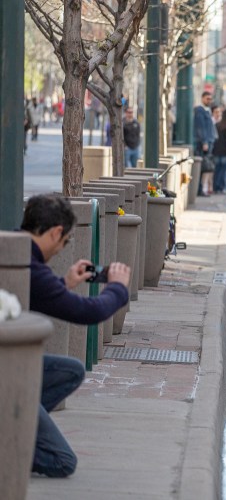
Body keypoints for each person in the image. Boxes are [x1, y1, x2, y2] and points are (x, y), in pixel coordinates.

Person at [21, 194, 131, 478]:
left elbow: (38, 292)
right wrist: (118, 288)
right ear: (56, 232)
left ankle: (15, 425)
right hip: (7, 371)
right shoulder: (30, 267)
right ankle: (11, 444)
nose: (61, 249)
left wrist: (65, 283)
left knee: (70, 370)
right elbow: (88, 312)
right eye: (66, 241)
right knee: (62, 462)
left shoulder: (15, 250)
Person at [193, 92, 216, 196]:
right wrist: (205, 142)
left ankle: (202, 188)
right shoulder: (200, 111)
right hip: (203, 144)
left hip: (208, 142)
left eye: (210, 99)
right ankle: (199, 189)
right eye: (207, 98)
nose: (209, 101)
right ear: (202, 98)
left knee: (205, 168)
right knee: (202, 168)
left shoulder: (207, 110)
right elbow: (201, 128)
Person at [212, 108, 226, 194]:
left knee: (217, 170)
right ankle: (220, 188)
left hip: (216, 151)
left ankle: (215, 187)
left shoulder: (217, 125)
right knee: (223, 171)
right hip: (225, 152)